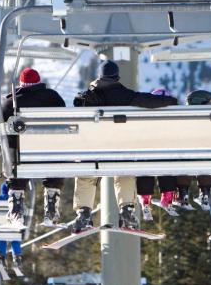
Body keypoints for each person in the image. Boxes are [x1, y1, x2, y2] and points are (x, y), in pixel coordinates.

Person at [71, 60, 177, 231]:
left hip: (93, 150)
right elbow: (148, 101)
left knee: (86, 175)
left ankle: (83, 214)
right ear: (117, 76)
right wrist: (170, 100)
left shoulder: (86, 96)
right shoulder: (125, 95)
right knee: (125, 171)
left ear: (99, 76)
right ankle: (127, 210)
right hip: (118, 149)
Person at [0, 67, 66, 227]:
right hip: (49, 156)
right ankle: (51, 209)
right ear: (39, 82)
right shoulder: (54, 98)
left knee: (14, 156)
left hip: (21, 158)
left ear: (21, 84)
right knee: (54, 160)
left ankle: (16, 210)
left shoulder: (10, 102)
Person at [136, 89, 178, 221]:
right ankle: (167, 196)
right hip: (166, 150)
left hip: (146, 149)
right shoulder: (174, 112)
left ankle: (145, 200)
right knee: (167, 167)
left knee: (145, 168)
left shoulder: (143, 112)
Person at [174, 90, 211, 211]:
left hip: (185, 159)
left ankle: (183, 192)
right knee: (207, 156)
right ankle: (205, 192)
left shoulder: (181, 120)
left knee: (184, 156)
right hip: (207, 160)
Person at [0, 182, 23, 268]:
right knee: (15, 237)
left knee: (1, 237)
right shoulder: (16, 198)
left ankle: (1, 255)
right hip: (13, 225)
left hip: (2, 226)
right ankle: (17, 256)